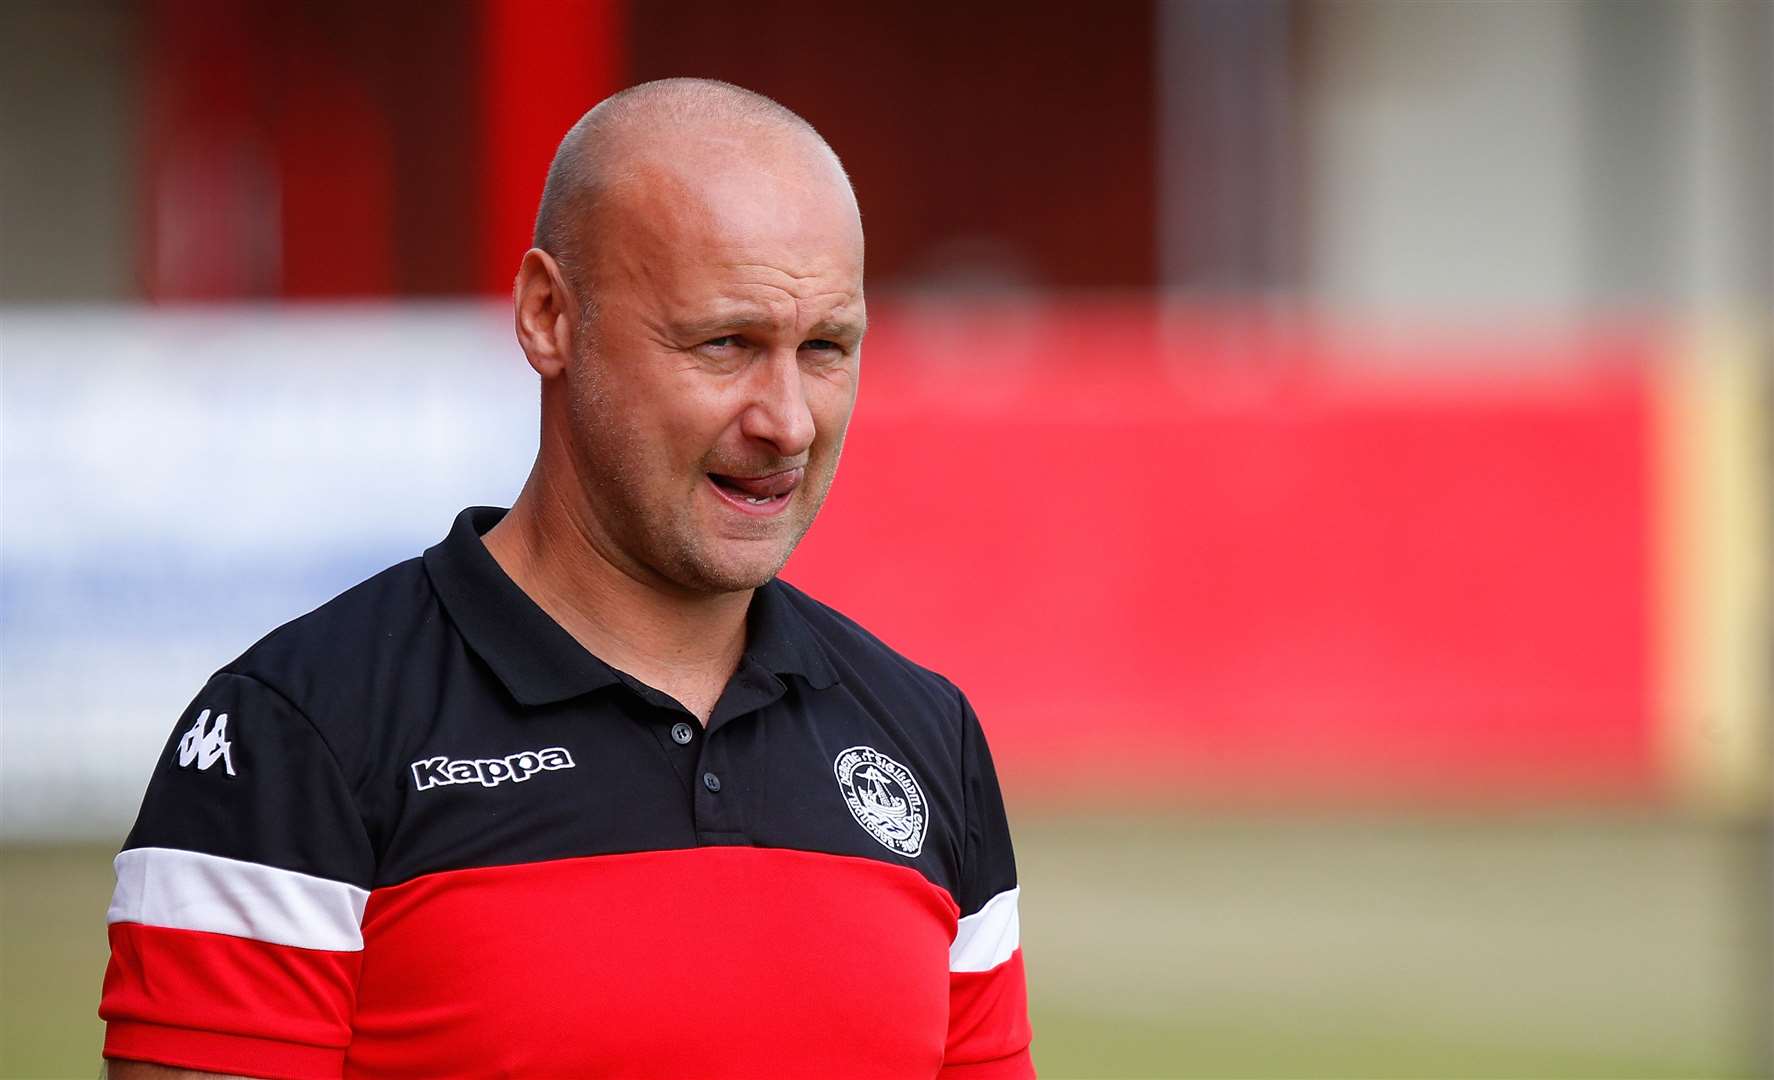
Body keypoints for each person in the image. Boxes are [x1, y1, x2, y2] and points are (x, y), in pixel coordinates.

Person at [100, 78, 1034, 1079]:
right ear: (549, 316)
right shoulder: (297, 732)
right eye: (725, 344)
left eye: (825, 349)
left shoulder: (926, 735)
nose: (787, 421)